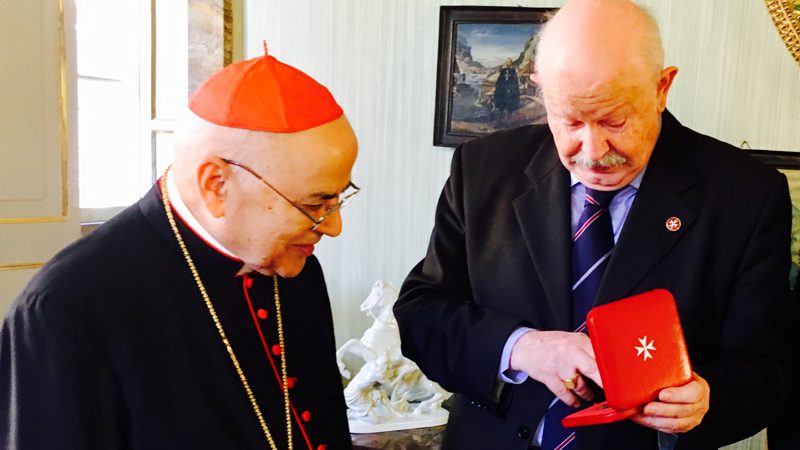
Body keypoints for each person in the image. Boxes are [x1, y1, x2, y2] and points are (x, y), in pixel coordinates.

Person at [394, 0, 793, 449]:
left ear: (662, 88)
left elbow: (768, 368)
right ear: (540, 89)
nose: (592, 149)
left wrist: (706, 399)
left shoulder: (746, 194)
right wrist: (523, 348)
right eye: (569, 120)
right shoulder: (483, 169)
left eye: (615, 120)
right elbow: (423, 313)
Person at [0, 50, 358, 449]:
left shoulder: (294, 268)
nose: (333, 226)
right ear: (216, 184)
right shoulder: (67, 308)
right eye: (314, 205)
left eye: (339, 199)